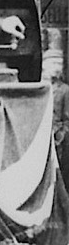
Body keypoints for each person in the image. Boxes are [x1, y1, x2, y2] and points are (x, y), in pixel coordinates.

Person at [42, 47, 69, 189]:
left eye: (60, 64)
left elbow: (67, 119)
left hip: (56, 139)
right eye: (54, 63)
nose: (57, 68)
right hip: (39, 136)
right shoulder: (39, 87)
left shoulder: (65, 90)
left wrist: (60, 135)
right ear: (44, 64)